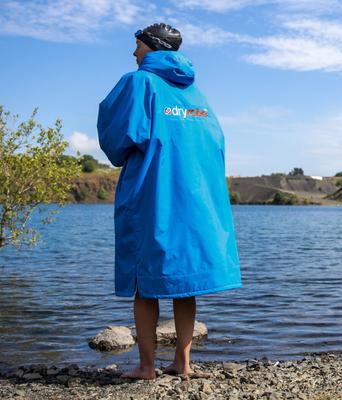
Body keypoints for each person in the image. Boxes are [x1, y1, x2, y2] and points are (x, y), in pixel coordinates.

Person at [97, 23, 242, 380]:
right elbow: (216, 145)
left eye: (137, 46)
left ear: (152, 47)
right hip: (197, 202)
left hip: (152, 197)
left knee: (144, 283)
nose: (134, 54)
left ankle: (147, 367)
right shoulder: (197, 95)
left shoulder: (139, 83)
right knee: (183, 281)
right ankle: (184, 363)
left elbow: (117, 140)